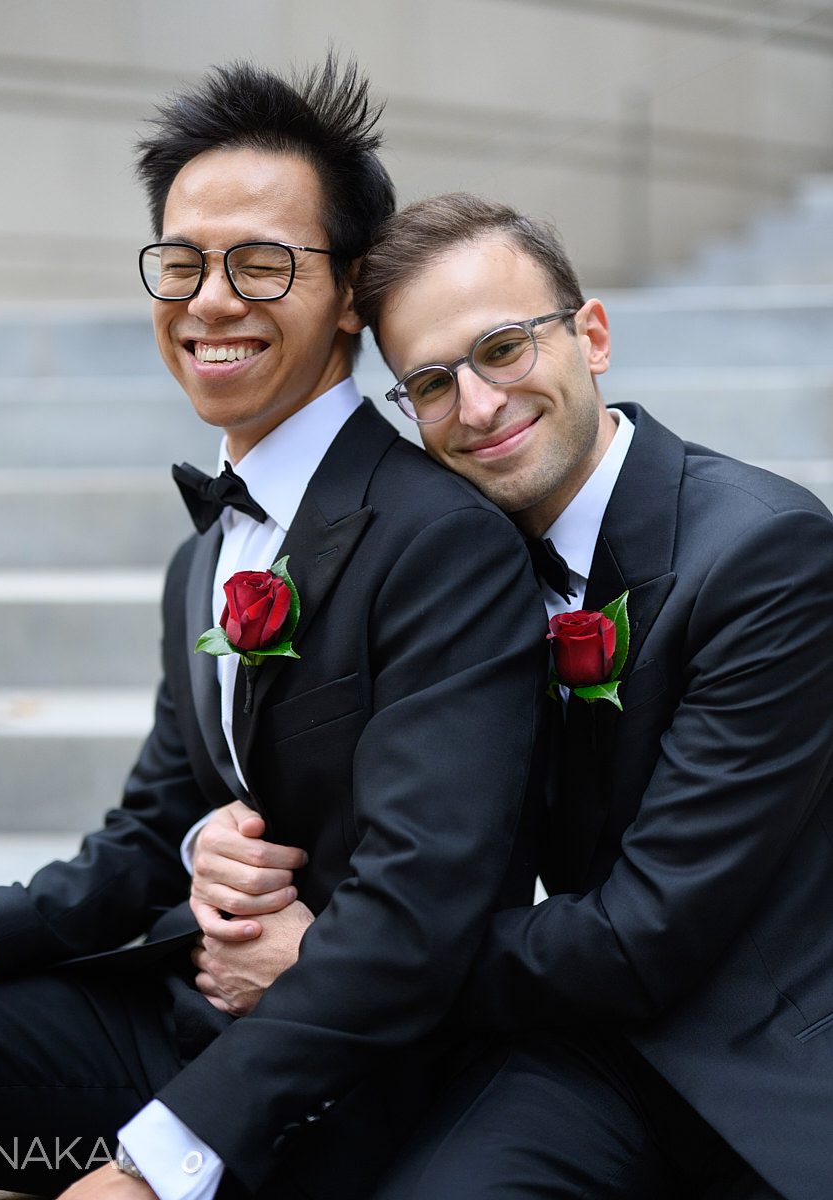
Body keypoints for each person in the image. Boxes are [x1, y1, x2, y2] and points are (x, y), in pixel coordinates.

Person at [0, 73, 550, 1200]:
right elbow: (150, 829)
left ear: (351, 294)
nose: (209, 301)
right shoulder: (201, 556)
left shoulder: (441, 541)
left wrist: (154, 1166)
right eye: (181, 262)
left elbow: (411, 914)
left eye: (259, 264)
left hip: (350, 1076)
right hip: (177, 1017)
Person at [188, 194, 833, 1200]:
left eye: (501, 349)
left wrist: (334, 960)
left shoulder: (763, 555)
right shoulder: (453, 564)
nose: (477, 407)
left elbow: (641, 937)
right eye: (431, 384)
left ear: (593, 335)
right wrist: (214, 842)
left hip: (744, 1058)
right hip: (557, 1050)